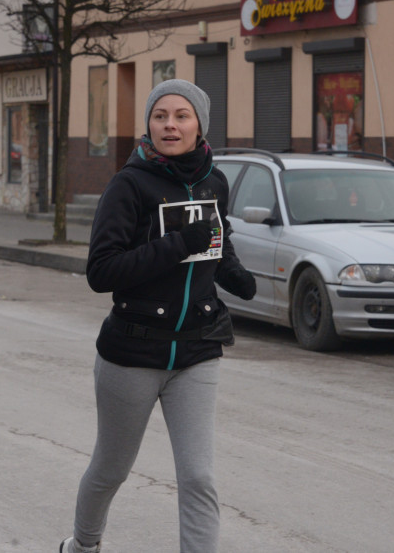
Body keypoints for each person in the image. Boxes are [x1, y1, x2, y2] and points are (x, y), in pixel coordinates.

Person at [61, 79, 257, 553]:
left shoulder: (214, 181)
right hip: (133, 351)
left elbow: (215, 238)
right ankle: (83, 547)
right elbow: (101, 271)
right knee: (111, 470)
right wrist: (175, 246)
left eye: (182, 115)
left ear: (200, 125)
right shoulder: (129, 185)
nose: (171, 124)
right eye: (160, 116)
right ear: (149, 124)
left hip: (197, 348)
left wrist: (235, 274)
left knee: (198, 476)